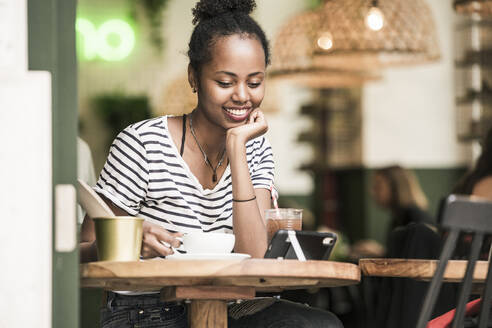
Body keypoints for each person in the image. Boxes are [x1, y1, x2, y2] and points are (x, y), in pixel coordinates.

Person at [79, 1, 343, 327]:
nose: (243, 96)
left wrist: (237, 147)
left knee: (319, 324)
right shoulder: (142, 143)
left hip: (231, 306)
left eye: (255, 82)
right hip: (147, 309)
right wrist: (130, 241)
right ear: (194, 77)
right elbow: (79, 253)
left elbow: (255, 255)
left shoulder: (253, 146)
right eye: (225, 82)